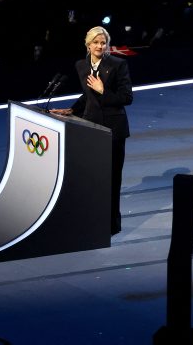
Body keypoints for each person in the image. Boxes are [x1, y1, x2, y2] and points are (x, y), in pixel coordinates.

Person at [51, 25, 134, 236]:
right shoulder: (81, 65)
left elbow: (126, 98)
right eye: (95, 42)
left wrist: (103, 91)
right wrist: (72, 109)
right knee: (93, 178)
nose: (99, 46)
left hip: (113, 131)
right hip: (90, 128)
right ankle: (92, 220)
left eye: (103, 43)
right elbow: (87, 95)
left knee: (112, 179)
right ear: (88, 45)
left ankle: (111, 226)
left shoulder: (118, 64)